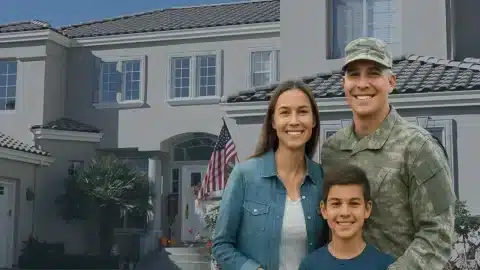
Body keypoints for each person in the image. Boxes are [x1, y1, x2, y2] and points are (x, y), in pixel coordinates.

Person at [321, 37, 456, 269]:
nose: (362, 84)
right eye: (353, 74)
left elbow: (439, 234)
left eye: (373, 73)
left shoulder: (418, 147)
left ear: (391, 82)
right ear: (343, 83)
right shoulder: (332, 149)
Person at [212, 80, 328, 270]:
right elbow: (221, 246)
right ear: (273, 121)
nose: (294, 121)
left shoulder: (323, 180)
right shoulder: (244, 176)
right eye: (285, 112)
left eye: (302, 112)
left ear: (313, 120)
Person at [298, 164, 395, 270]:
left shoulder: (387, 266)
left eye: (354, 203)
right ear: (324, 210)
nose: (345, 213)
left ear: (367, 209)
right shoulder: (310, 266)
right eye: (336, 204)